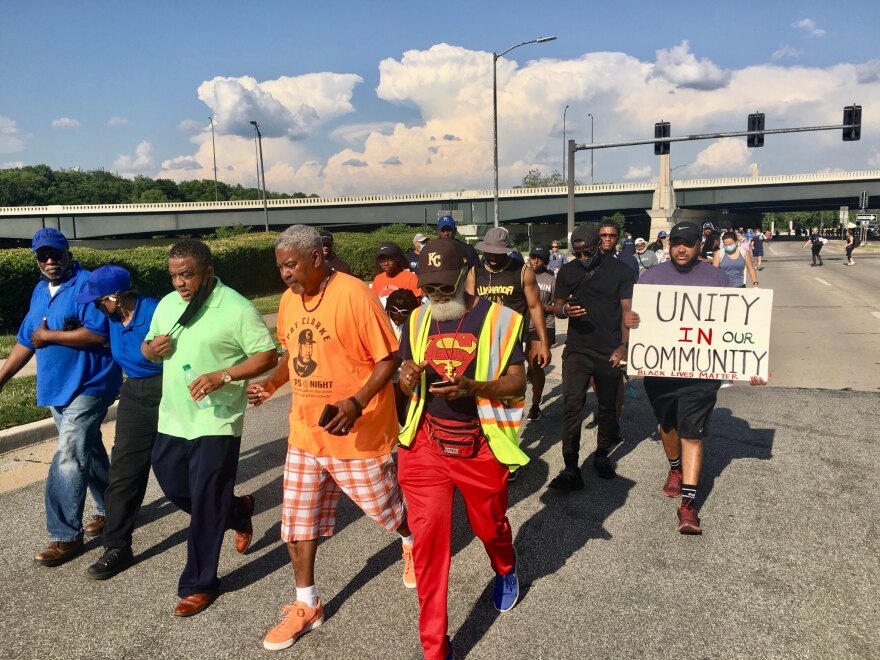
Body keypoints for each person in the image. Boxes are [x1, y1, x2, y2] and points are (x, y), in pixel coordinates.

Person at [246, 225, 414, 652]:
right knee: (297, 523)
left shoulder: (355, 295)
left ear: (316, 258)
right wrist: (271, 382)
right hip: (305, 433)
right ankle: (307, 604)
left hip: (356, 433)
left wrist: (356, 403)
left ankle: (412, 542)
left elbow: (389, 357)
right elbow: (291, 355)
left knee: (386, 508)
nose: (285, 274)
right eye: (280, 266)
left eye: (290, 265)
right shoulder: (288, 302)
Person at [396, 238, 528, 660]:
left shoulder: (502, 320)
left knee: (489, 526)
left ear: (465, 275)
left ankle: (505, 569)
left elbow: (516, 383)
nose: (435, 296)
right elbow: (403, 374)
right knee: (429, 545)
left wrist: (474, 387)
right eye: (428, 288)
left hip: (479, 445)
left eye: (443, 287)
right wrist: (405, 379)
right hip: (426, 446)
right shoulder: (416, 321)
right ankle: (435, 649)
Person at [142, 239, 277, 617]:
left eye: (187, 274)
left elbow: (268, 355)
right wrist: (153, 350)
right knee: (174, 488)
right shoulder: (167, 305)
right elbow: (146, 348)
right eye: (173, 276)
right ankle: (235, 510)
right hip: (173, 417)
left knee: (204, 502)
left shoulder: (235, 308)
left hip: (217, 419)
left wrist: (224, 374)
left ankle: (199, 583)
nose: (179, 283)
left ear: (208, 272)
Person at [624, 220, 768, 535]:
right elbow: (637, 322)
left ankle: (688, 504)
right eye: (676, 242)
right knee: (668, 426)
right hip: (660, 371)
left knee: (692, 434)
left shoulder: (716, 278)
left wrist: (755, 363)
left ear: (699, 246)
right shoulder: (650, 278)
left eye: (688, 243)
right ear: (669, 244)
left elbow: (736, 327)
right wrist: (630, 322)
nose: (681, 248)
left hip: (700, 375)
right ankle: (675, 468)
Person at [0, 228, 122, 567]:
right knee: (88, 449)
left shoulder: (87, 285)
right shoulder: (40, 290)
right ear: (37, 260)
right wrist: (2, 378)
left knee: (69, 454)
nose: (50, 261)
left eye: (56, 253)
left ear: (68, 253)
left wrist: (50, 335)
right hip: (56, 386)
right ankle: (113, 510)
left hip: (90, 384)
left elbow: (98, 334)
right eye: (43, 256)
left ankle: (66, 535)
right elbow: (28, 339)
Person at [73, 266, 164, 580]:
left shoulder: (154, 311)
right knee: (124, 471)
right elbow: (101, 340)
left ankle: (232, 510)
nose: (96, 306)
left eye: (99, 301)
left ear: (115, 296)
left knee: (177, 474)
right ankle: (117, 547)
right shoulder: (112, 317)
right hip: (134, 392)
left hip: (168, 390)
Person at [548, 223, 634, 491]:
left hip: (608, 350)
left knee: (607, 406)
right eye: (578, 254)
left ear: (599, 246)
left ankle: (602, 455)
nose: (583, 258)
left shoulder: (620, 270)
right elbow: (556, 304)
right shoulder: (569, 271)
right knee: (572, 405)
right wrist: (564, 313)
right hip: (577, 350)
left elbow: (626, 312)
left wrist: (623, 347)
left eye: (588, 253)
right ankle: (571, 467)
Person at [474, 227, 551, 374]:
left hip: (511, 340)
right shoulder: (475, 272)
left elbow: (535, 307)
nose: (493, 257)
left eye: (498, 253)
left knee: (512, 388)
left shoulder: (523, 272)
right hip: (482, 338)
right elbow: (469, 307)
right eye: (489, 252)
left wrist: (544, 343)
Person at [526, 246, 556, 420]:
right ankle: (534, 383)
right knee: (528, 368)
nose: (536, 261)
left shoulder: (551, 279)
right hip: (524, 326)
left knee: (536, 364)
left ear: (545, 261)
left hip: (545, 326)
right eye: (533, 257)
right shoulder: (523, 275)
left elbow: (559, 305)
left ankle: (535, 405)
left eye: (540, 258)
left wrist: (543, 308)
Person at [385, 289, 421, 422]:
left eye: (404, 313)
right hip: (387, 376)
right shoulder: (383, 320)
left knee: (403, 413)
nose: (398, 316)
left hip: (405, 377)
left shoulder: (414, 324)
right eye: (393, 310)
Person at [436, 214, 478, 293]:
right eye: (443, 230)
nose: (446, 233)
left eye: (449, 230)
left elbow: (476, 274)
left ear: (455, 230)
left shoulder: (468, 250)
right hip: (437, 292)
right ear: (437, 231)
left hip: (461, 292)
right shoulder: (431, 249)